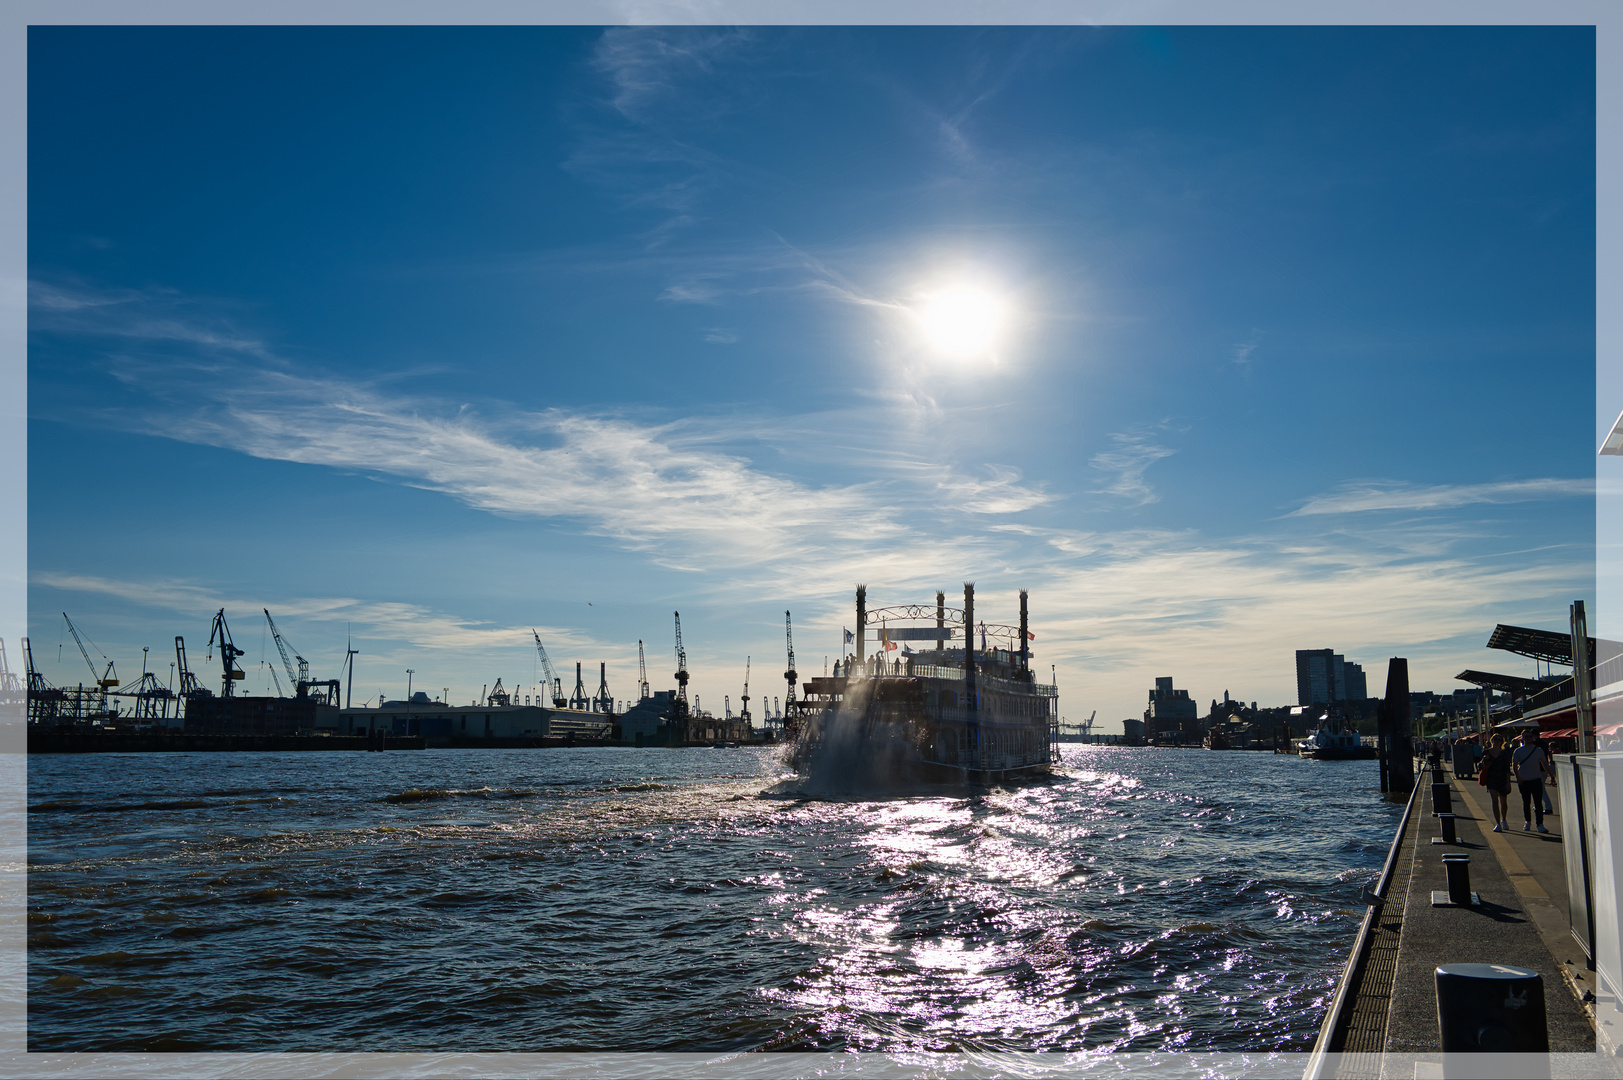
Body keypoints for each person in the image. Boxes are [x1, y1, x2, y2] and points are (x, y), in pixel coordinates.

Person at [1512, 728, 1551, 833]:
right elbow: (1515, 765)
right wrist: (1518, 777)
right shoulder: (1518, 751)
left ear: (1533, 737)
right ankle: (1527, 822)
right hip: (1524, 780)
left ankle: (1540, 824)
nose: (1528, 738)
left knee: (1538, 803)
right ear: (1522, 738)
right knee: (1526, 802)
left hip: (1536, 779)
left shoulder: (1538, 750)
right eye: (1526, 736)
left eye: (1530, 736)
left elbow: (1545, 763)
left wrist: (1551, 775)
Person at [1481, 732, 1514, 832]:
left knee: (1503, 802)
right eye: (1495, 739)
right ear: (1492, 740)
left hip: (1502, 779)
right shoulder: (1486, 752)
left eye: (1499, 739)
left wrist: (1508, 781)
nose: (1497, 741)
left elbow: (1507, 768)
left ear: (1502, 742)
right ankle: (1498, 823)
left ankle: (1504, 819)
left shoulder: (1504, 753)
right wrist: (1484, 760)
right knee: (1494, 801)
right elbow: (1481, 766)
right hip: (1491, 779)